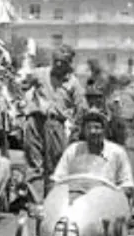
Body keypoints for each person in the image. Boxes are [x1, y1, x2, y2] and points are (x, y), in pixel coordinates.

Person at [22, 45, 87, 180]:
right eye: (56, 60)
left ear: (68, 63)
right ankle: (35, 193)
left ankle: (51, 192)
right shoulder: (40, 73)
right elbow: (22, 86)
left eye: (62, 62)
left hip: (55, 124)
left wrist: (75, 131)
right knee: (33, 162)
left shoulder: (73, 83)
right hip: (35, 120)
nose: (58, 64)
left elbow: (82, 108)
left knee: (54, 166)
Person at [50, 108, 134, 200]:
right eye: (89, 128)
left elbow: (127, 184)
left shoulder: (117, 152)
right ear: (84, 131)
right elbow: (57, 179)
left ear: (104, 130)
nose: (92, 131)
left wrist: (115, 195)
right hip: (77, 201)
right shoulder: (73, 150)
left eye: (97, 128)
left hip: (106, 202)